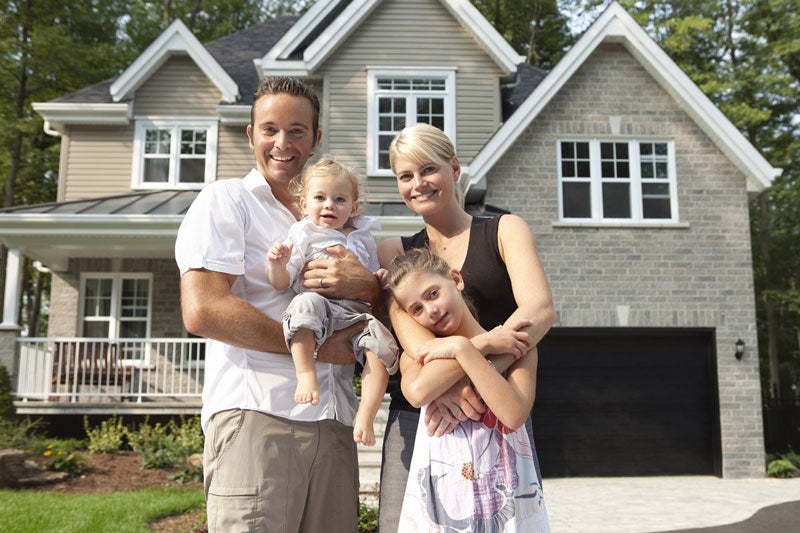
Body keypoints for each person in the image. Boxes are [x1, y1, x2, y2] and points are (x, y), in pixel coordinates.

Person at [176, 77, 379, 533]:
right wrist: (317, 349)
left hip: (334, 419)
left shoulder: (344, 220)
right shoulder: (226, 200)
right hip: (259, 417)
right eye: (269, 129)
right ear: (250, 135)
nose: (282, 143)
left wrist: (368, 286)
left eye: (297, 130)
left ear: (316, 138)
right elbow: (203, 310)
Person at [376, 123, 556, 531]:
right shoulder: (394, 252)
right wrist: (470, 360)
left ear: (454, 169)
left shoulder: (505, 229)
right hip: (424, 415)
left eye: (428, 169)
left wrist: (478, 370)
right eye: (405, 176)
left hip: (499, 404)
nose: (417, 183)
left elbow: (540, 309)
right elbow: (415, 344)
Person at [387, 247, 550, 531]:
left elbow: (513, 415)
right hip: (444, 505)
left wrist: (464, 350)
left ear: (455, 279)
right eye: (417, 309)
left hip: (508, 498)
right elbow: (416, 392)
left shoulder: (516, 347)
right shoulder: (418, 357)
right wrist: (476, 346)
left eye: (432, 294)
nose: (431, 310)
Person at [267, 156, 398, 446]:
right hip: (321, 306)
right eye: (320, 197)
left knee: (380, 345)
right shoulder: (304, 234)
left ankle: (366, 413)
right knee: (302, 307)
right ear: (303, 205)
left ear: (353, 207)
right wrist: (278, 264)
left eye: (339, 199)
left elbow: (370, 278)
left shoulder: (363, 237)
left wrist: (380, 278)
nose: (329, 205)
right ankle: (305, 373)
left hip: (356, 314)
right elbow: (281, 282)